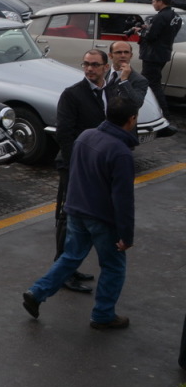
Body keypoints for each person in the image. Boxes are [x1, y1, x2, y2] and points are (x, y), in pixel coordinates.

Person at [21, 96, 138, 330]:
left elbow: (75, 173)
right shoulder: (121, 153)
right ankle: (103, 314)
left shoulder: (85, 136)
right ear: (131, 119)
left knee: (71, 256)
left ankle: (37, 292)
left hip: (77, 209)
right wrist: (127, 235)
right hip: (103, 218)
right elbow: (123, 199)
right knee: (113, 266)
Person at [53, 48, 113, 293]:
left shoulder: (109, 92)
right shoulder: (72, 95)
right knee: (67, 218)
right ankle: (62, 270)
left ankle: (71, 265)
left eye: (95, 65)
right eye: (86, 64)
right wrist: (78, 165)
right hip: (74, 166)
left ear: (105, 67)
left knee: (81, 219)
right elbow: (64, 135)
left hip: (96, 167)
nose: (89, 69)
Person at [133, 0, 178, 116]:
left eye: (153, 1)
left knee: (151, 83)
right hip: (164, 53)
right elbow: (165, 33)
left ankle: (163, 112)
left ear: (160, 2)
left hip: (153, 55)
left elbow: (152, 37)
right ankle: (147, 108)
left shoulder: (160, 16)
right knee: (150, 82)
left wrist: (140, 32)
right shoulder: (176, 16)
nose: (152, 4)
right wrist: (147, 28)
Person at [106, 41, 148, 108]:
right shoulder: (103, 73)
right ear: (110, 55)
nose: (123, 55)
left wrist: (124, 81)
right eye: (118, 52)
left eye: (126, 52)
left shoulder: (139, 80)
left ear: (131, 55)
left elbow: (136, 103)